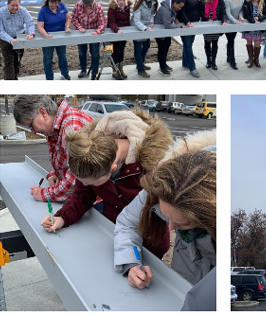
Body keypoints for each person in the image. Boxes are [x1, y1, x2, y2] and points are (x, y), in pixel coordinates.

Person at [41, 109, 172, 261]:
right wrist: (62, 218)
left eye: (90, 183)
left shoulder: (153, 168)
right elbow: (82, 196)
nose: (83, 185)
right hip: (115, 233)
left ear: (112, 169)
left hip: (151, 240)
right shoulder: (90, 158)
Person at [114, 145, 216, 293]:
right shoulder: (160, 186)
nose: (171, 228)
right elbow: (127, 223)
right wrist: (131, 262)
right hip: (186, 257)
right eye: (166, 217)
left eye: (184, 223)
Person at [13, 95, 93, 202]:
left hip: (94, 201)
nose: (33, 131)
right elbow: (65, 159)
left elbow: (77, 178)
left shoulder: (71, 128)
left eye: (31, 125)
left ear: (43, 113)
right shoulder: (56, 127)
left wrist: (44, 194)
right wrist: (55, 173)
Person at [37, 0, 72, 80]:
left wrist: (67, 27)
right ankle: (49, 77)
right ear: (48, 1)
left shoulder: (62, 6)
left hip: (60, 35)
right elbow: (40, 26)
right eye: (52, 3)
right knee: (48, 58)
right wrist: (46, 35)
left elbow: (68, 17)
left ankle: (65, 73)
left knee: (62, 55)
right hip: (48, 36)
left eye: (56, 3)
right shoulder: (43, 11)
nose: (54, 5)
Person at [72, 0, 106, 80]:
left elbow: (103, 22)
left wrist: (98, 31)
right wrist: (79, 27)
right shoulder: (78, 5)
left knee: (95, 54)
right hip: (81, 32)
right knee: (81, 52)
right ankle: (83, 70)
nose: (88, 7)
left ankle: (94, 73)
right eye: (86, 6)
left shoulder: (98, 7)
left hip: (94, 32)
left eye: (90, 5)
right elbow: (74, 18)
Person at [0, 0, 35, 80]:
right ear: (7, 4)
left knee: (17, 60)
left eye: (17, 5)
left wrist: (31, 33)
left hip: (20, 36)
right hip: (6, 38)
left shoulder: (23, 11)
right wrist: (10, 40)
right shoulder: (0, 13)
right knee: (8, 62)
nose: (15, 8)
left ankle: (15, 77)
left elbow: (30, 23)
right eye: (12, 5)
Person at [153, 0, 186, 76]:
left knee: (167, 45)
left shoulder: (172, 7)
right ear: (175, 3)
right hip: (160, 31)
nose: (180, 9)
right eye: (179, 6)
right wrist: (179, 25)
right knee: (162, 49)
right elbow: (167, 25)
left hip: (166, 32)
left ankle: (164, 64)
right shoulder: (165, 9)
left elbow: (173, 17)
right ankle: (162, 68)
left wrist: (175, 20)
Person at [176, 0, 201, 78]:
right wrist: (187, 22)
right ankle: (192, 68)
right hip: (185, 23)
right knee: (187, 44)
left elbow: (198, 5)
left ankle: (185, 62)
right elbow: (181, 11)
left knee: (189, 43)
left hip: (194, 22)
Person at [131, 0, 158, 79]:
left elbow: (151, 15)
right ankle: (141, 70)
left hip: (146, 27)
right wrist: (145, 28)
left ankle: (140, 63)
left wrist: (151, 21)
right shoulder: (138, 4)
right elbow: (137, 21)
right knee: (138, 49)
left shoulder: (152, 4)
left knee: (146, 45)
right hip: (137, 28)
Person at [107, 0, 132, 80]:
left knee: (121, 50)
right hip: (114, 31)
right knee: (115, 51)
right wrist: (116, 30)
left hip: (123, 32)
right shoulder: (112, 7)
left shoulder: (127, 6)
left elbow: (128, 19)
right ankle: (115, 70)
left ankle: (120, 69)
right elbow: (111, 22)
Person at [199, 0, 224, 70]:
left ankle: (213, 62)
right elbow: (201, 11)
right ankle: (208, 61)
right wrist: (206, 19)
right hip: (206, 25)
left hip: (216, 25)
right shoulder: (203, 0)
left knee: (215, 43)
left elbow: (222, 12)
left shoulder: (220, 1)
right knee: (207, 43)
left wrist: (223, 21)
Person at [223, 0, 244, 70]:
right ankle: (232, 61)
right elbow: (227, 13)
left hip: (237, 23)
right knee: (231, 40)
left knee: (231, 40)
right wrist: (235, 21)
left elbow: (241, 10)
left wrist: (240, 16)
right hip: (228, 23)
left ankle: (228, 56)